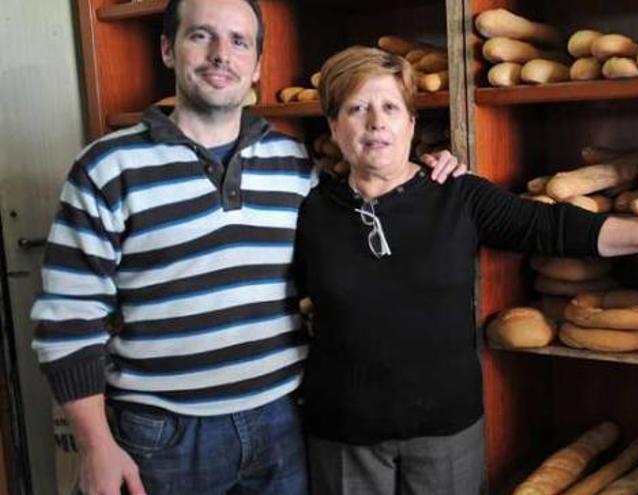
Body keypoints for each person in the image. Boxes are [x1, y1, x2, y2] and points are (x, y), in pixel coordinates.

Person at [29, 2, 463, 494]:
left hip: (282, 423)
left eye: (239, 41)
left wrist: (434, 173)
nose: (221, 55)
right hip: (163, 436)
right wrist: (95, 445)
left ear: (257, 64)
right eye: (201, 37)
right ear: (168, 49)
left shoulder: (295, 165)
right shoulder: (108, 167)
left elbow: (372, 198)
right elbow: (66, 318)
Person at [293, 46, 638, 495]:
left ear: (411, 122)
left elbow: (554, 227)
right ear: (334, 126)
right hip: (343, 434)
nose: (375, 122)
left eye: (390, 106)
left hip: (445, 430)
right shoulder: (308, 210)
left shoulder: (457, 195)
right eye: (356, 108)